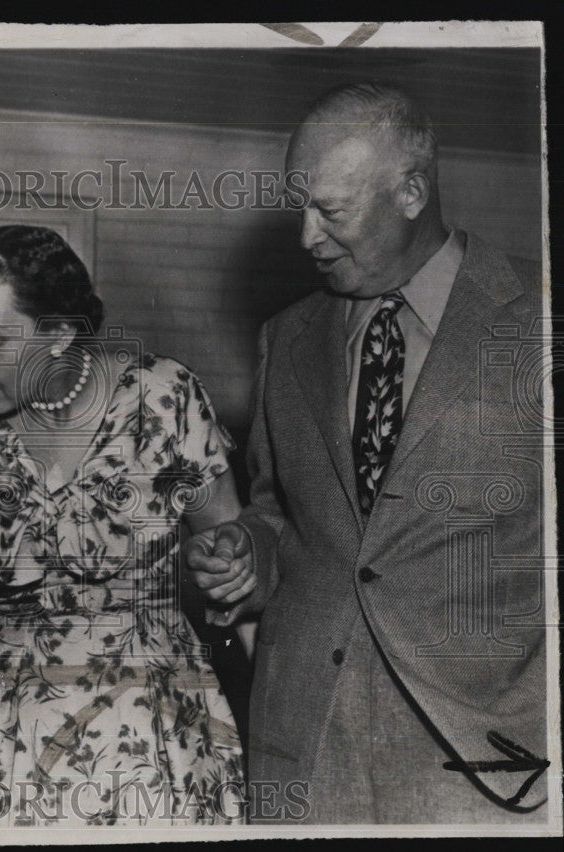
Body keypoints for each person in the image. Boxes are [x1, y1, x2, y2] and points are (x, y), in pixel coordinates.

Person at [188, 83, 549, 823]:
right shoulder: (285, 339)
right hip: (308, 748)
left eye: (332, 211)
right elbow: (279, 515)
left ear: (412, 191)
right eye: (300, 208)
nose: (307, 238)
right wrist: (247, 554)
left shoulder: (539, 321)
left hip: (487, 761)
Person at [0, 225, 249, 825]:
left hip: (147, 724)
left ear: (60, 333)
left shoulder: (161, 398)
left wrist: (274, 716)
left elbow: (237, 565)